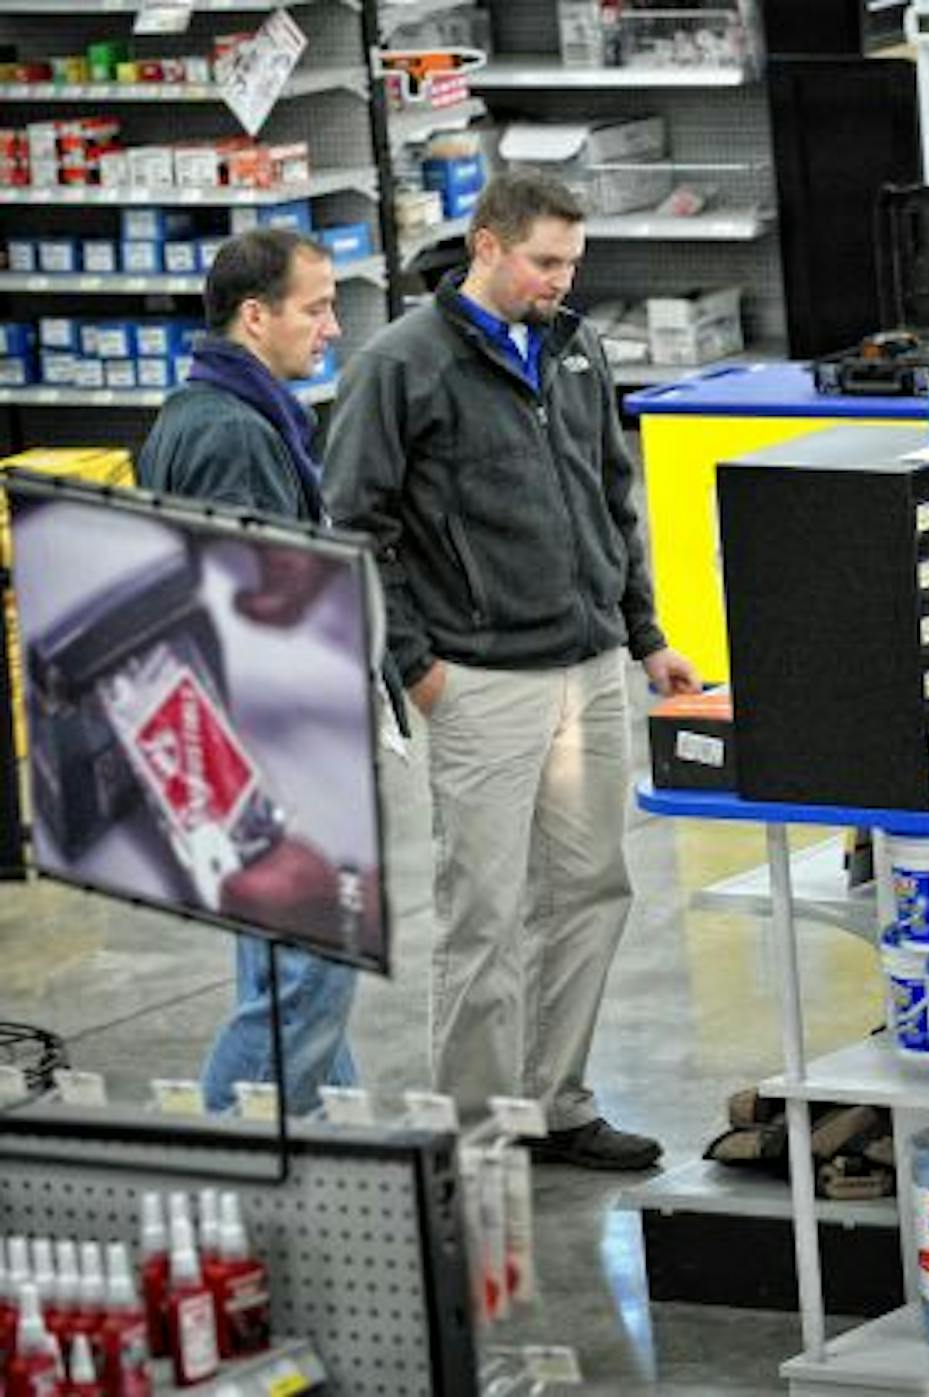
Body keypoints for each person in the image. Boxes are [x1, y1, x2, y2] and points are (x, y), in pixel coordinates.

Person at [325, 169, 699, 1170]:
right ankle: (479, 1125)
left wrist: (645, 633)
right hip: (480, 679)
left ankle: (558, 1102)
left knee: (589, 889)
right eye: (544, 261)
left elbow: (610, 502)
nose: (560, 281)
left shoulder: (575, 348)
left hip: (589, 668)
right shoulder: (402, 366)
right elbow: (355, 528)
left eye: (572, 263)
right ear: (486, 246)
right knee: (483, 911)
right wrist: (414, 666)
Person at [134, 227, 358, 1116]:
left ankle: (337, 1168)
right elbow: (253, 620)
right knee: (303, 992)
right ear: (255, 315)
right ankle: (227, 1162)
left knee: (290, 982)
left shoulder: (213, 415)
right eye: (317, 307)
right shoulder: (231, 436)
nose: (333, 327)